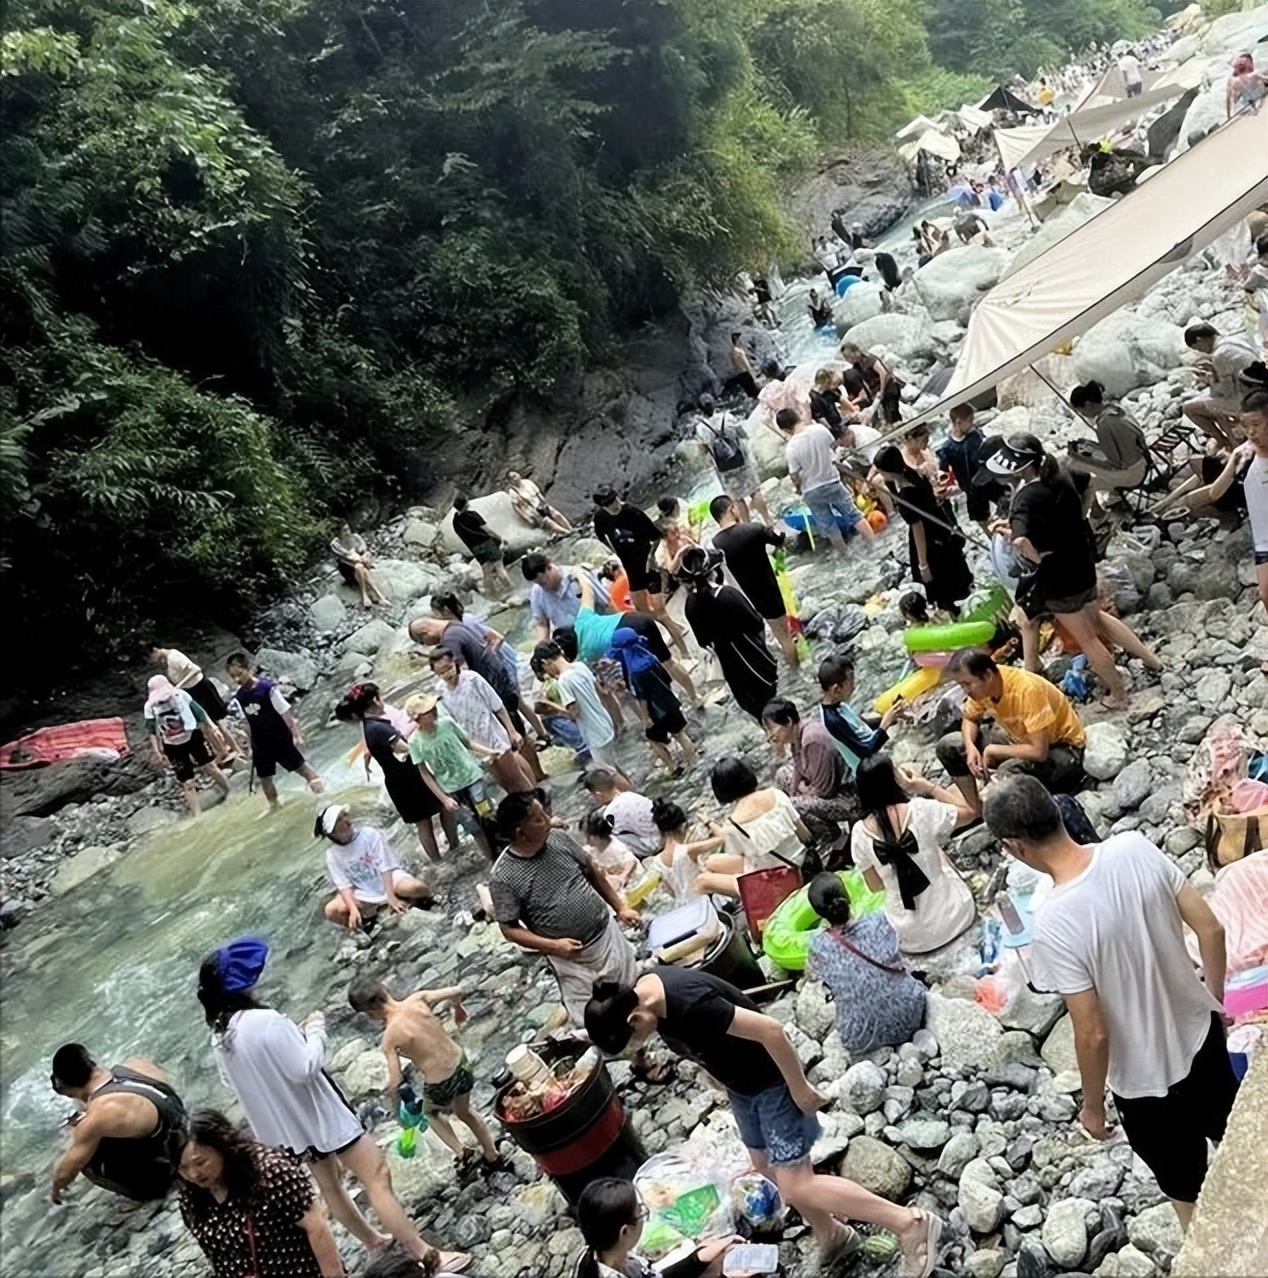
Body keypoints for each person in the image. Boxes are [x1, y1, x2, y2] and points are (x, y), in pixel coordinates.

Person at [982, 776, 1235, 1231]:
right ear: (1055, 811)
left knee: (1186, 1194)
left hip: (1144, 1086)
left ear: (1015, 846)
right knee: (1242, 1147)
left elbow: (1092, 1031)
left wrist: (1092, 1108)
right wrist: (1214, 1003)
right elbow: (1211, 930)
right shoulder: (1134, 847)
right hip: (1201, 1041)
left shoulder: (1054, 921)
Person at [584, 972, 943, 1277]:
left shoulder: (690, 1003)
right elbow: (705, 1041)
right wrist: (716, 1075)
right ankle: (831, 1234)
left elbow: (770, 1030)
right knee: (764, 1167)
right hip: (742, 1086)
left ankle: (907, 1223)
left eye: (634, 1041)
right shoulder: (644, 992)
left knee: (797, 1185)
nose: (640, 1047)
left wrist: (799, 1088)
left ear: (634, 1019)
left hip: (771, 1081)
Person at [198, 938, 458, 1269]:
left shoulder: (220, 1037)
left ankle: (374, 1242)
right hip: (321, 1116)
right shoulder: (266, 1021)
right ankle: (425, 1255)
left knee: (329, 1185)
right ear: (242, 985)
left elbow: (230, 1081)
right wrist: (316, 1031)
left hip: (288, 1132)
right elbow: (304, 1068)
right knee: (376, 1175)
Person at [984, 433, 1160, 707]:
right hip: (1081, 558)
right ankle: (1152, 661)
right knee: (1097, 617)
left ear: (1020, 467)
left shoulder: (1024, 498)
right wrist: (1080, 516)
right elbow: (1089, 484)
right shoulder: (1059, 471)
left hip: (1058, 576)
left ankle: (1119, 695)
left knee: (1087, 638)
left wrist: (1035, 556)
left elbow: (1021, 540)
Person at [489, 790, 640, 1029]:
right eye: (539, 818)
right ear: (520, 833)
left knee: (632, 990)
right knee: (591, 1015)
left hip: (604, 932)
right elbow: (509, 929)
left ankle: (644, 1037)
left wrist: (620, 908)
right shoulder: (504, 877)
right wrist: (554, 946)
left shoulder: (558, 839)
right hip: (569, 955)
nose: (549, 820)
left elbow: (592, 870)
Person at [347, 978, 500, 1168]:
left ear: (370, 1014)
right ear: (385, 990)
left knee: (430, 1113)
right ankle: (492, 1153)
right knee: (464, 1111)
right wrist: (458, 1008)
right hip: (461, 1064)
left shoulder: (390, 1037)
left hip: (441, 1082)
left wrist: (397, 1111)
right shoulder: (419, 999)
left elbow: (395, 1080)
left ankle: (463, 1152)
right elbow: (456, 990)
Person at [178, 1109, 343, 1278]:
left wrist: (333, 1274)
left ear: (221, 1146)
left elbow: (315, 1226)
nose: (194, 1174)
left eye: (201, 1162)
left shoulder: (269, 1173)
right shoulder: (191, 1197)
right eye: (183, 1168)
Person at [850, 755, 977, 955]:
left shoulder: (859, 833)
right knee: (936, 850)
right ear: (893, 779)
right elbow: (970, 811)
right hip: (955, 917)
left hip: (912, 938)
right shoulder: (920, 809)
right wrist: (928, 786)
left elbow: (875, 886)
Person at [937, 649, 1087, 814]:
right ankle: (976, 807)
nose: (966, 690)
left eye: (968, 684)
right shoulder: (983, 691)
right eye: (961, 685)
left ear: (987, 676)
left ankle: (1018, 824)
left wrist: (995, 750)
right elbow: (970, 718)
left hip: (1062, 749)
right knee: (949, 745)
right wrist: (970, 746)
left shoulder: (1026, 690)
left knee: (1007, 774)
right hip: (1019, 740)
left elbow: (1039, 752)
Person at [411, 614, 543, 781]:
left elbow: (459, 679)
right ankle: (538, 777)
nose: (427, 644)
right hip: (499, 684)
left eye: (423, 642)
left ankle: (535, 783)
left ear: (425, 632)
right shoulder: (456, 625)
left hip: (492, 694)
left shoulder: (451, 642)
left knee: (514, 747)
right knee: (517, 740)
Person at [49, 1044, 187, 1203]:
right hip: (182, 1126)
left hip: (172, 1164)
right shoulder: (136, 1064)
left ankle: (148, 1194)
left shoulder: (98, 1115)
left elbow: (65, 1173)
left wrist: (55, 1191)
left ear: (70, 1090)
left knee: (88, 1156)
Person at [804, 872, 926, 1053]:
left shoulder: (819, 946)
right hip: (910, 1012)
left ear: (819, 913)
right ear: (847, 896)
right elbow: (900, 955)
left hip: (861, 1036)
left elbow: (812, 976)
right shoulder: (878, 920)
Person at [335, 682, 449, 860]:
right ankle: (444, 854)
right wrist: (419, 726)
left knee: (427, 820)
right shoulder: (377, 728)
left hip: (399, 780)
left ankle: (439, 858)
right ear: (375, 700)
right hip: (408, 780)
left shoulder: (369, 725)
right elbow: (404, 747)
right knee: (438, 810)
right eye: (381, 697)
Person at [678, 547, 777, 721]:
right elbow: (755, 621)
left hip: (728, 661)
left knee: (751, 703)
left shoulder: (690, 605)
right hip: (751, 652)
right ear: (714, 571)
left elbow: (703, 641)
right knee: (769, 695)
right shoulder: (728, 595)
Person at [872, 444, 972, 616]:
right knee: (958, 577)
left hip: (930, 540)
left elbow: (917, 528)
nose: (880, 475)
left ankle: (954, 615)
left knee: (940, 587)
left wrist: (923, 564)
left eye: (881, 471)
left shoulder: (907, 494)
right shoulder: (916, 474)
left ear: (889, 470)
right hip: (942, 528)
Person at [428, 592, 544, 740]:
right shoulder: (454, 627)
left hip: (500, 664)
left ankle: (539, 734)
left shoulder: (467, 621)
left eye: (435, 613)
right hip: (491, 669)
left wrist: (488, 657)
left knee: (516, 701)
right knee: (512, 703)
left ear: (444, 610)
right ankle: (533, 734)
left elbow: (497, 638)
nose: (435, 618)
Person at [574, 1177, 734, 1278]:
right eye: (641, 1213)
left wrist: (698, 1258)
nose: (645, 1216)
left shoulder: (596, 1256)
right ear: (624, 1231)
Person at [427, 648, 536, 795]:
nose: (447, 674)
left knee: (516, 777)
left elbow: (498, 706)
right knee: (502, 781)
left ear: (455, 662)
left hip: (492, 734)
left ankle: (535, 801)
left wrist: (511, 730)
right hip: (475, 744)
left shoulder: (472, 679)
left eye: (449, 668)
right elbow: (449, 719)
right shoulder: (440, 690)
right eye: (441, 673)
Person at [403, 693, 497, 859]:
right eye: (428, 711)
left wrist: (489, 752)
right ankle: (491, 859)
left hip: (472, 776)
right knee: (472, 826)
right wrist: (444, 799)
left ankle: (504, 847)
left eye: (433, 708)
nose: (433, 712)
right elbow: (424, 773)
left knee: (488, 815)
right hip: (451, 788)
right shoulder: (414, 742)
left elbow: (467, 743)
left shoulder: (447, 724)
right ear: (417, 718)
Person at [710, 495, 799, 667]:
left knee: (761, 640)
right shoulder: (753, 529)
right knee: (784, 636)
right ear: (731, 509)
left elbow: (717, 575)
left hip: (743, 599)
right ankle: (796, 669)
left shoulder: (714, 544)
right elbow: (778, 540)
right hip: (768, 591)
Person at [704, 756, 811, 897]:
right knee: (713, 862)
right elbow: (804, 834)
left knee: (705, 878)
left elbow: (743, 860)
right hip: (804, 865)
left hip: (776, 881)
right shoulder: (776, 794)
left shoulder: (732, 825)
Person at [225, 654, 323, 809]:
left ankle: (322, 796)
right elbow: (247, 722)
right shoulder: (240, 697)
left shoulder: (267, 689)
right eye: (233, 677)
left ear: (247, 669)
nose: (237, 679)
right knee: (265, 778)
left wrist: (296, 734)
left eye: (240, 674)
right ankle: (275, 806)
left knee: (302, 768)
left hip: (280, 739)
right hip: (260, 744)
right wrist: (251, 746)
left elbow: (285, 712)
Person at [315, 804, 436, 929]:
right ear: (332, 832)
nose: (347, 821)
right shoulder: (332, 854)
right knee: (331, 910)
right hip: (362, 890)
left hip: (389, 879)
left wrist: (390, 896)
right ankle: (363, 928)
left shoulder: (368, 834)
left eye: (345, 815)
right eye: (340, 820)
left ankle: (432, 899)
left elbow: (386, 866)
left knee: (415, 887)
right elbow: (344, 885)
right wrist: (352, 909)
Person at [592, 489, 686, 647]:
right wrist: (614, 551)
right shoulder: (601, 517)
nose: (614, 506)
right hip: (631, 568)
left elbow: (656, 536)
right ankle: (675, 629)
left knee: (660, 612)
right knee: (642, 611)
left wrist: (650, 558)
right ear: (603, 506)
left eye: (614, 501)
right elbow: (601, 536)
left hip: (649, 566)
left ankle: (685, 652)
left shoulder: (633, 512)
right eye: (608, 504)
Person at [776, 409, 875, 556]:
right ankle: (874, 545)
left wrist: (798, 487)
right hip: (832, 481)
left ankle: (844, 555)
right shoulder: (820, 430)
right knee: (854, 515)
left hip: (811, 491)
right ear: (798, 416)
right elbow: (832, 448)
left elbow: (794, 474)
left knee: (830, 527)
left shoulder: (791, 447)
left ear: (785, 429)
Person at [762, 699, 855, 850]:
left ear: (788, 721)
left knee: (794, 805)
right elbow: (798, 771)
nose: (770, 736)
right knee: (782, 774)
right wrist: (793, 793)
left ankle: (835, 839)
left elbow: (824, 790)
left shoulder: (812, 739)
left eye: (772, 729)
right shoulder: (796, 736)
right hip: (819, 787)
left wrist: (796, 797)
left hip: (847, 796)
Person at [608, 626, 697, 774]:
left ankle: (672, 767)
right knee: (680, 734)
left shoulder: (636, 671)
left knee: (653, 739)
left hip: (656, 710)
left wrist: (646, 718)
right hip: (669, 702)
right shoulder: (650, 657)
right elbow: (666, 678)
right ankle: (692, 762)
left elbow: (642, 697)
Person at [143, 675, 231, 817]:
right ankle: (197, 815)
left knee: (210, 767)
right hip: (172, 746)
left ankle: (230, 791)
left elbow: (200, 713)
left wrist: (213, 728)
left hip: (193, 736)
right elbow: (152, 730)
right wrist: (157, 750)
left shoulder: (181, 695)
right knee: (187, 781)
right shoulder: (150, 707)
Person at [533, 640, 619, 770]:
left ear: (546, 663)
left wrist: (551, 706)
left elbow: (574, 713)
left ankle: (627, 790)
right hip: (605, 722)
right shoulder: (580, 666)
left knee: (608, 772)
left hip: (594, 732)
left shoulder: (563, 681)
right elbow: (601, 692)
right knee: (613, 765)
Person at [816, 652, 903, 776]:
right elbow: (865, 752)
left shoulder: (839, 705)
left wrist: (892, 717)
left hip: (876, 759)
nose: (854, 687)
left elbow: (861, 725)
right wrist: (884, 726)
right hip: (870, 773)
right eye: (850, 684)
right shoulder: (833, 721)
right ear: (836, 689)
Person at [149, 645, 238, 762]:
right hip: (190, 690)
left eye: (151, 657)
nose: (152, 661)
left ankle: (234, 748)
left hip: (200, 686)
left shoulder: (174, 657)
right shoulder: (164, 661)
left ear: (155, 650)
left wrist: (179, 686)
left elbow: (195, 669)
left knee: (215, 720)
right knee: (204, 724)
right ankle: (222, 749)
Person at [692, 394, 771, 525]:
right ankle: (768, 521)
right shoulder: (727, 417)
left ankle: (747, 526)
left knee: (738, 499)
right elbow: (743, 434)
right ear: (714, 404)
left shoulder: (700, 428)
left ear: (700, 410)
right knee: (755, 492)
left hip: (724, 469)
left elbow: (702, 452)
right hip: (742, 461)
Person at [1065, 382, 1149, 500]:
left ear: (1088, 405)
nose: (1082, 414)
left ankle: (1097, 512)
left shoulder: (1104, 424)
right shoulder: (1115, 409)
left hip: (1133, 475)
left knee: (1074, 467)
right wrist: (1090, 445)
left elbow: (1113, 464)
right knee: (1083, 459)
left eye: (1080, 410)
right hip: (1143, 460)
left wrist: (1081, 458)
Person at [1182, 323, 1257, 450]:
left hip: (1246, 398)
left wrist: (1209, 378)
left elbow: (1225, 393)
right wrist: (1213, 370)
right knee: (1211, 404)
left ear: (1200, 340)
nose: (1201, 351)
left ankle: (1228, 442)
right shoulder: (1233, 340)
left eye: (1198, 348)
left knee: (1191, 408)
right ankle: (1229, 441)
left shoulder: (1220, 355)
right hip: (1257, 386)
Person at [935, 403, 1005, 532]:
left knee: (1005, 502)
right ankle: (995, 538)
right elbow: (943, 472)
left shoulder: (976, 435)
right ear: (958, 422)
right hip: (971, 489)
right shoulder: (947, 448)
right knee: (981, 518)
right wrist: (947, 487)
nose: (972, 424)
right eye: (969, 421)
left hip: (989, 481)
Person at [649, 798, 725, 905]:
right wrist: (708, 821)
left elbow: (669, 892)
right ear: (682, 826)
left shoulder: (656, 862)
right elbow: (723, 837)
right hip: (706, 903)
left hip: (684, 908)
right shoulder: (688, 851)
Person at [521, 554, 611, 642]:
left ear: (549, 567)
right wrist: (542, 647)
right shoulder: (537, 591)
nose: (543, 587)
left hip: (597, 629)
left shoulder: (579, 577)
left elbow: (607, 604)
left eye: (543, 582)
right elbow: (542, 624)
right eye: (538, 584)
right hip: (568, 638)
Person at [582, 768, 660, 858]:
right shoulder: (632, 795)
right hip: (661, 834)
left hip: (652, 845)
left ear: (599, 795)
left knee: (608, 838)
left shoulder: (610, 812)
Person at [1238, 390, 1268, 618]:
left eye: (1256, 424)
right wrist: (1231, 465)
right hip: (1263, 540)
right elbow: (1214, 494)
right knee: (1266, 594)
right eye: (1246, 426)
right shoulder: (1245, 458)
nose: (1251, 432)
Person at [450, 496, 512, 596]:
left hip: (474, 548)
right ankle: (510, 590)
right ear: (466, 504)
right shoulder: (473, 515)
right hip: (486, 543)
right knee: (499, 567)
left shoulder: (455, 521)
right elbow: (487, 530)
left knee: (486, 571)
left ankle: (492, 593)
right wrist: (500, 538)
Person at [840, 342, 902, 425]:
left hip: (889, 387)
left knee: (892, 412)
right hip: (878, 392)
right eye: (846, 358)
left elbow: (883, 373)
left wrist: (881, 391)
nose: (848, 359)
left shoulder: (869, 359)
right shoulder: (857, 366)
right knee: (886, 415)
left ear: (855, 352)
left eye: (849, 356)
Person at [331, 523, 388, 609]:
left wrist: (365, 557)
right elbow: (348, 556)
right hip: (347, 569)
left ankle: (379, 596)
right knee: (359, 566)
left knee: (361, 567)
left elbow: (364, 550)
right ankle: (364, 595)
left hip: (360, 566)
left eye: (348, 529)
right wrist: (362, 560)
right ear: (338, 533)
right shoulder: (335, 544)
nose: (348, 532)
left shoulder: (355, 537)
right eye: (344, 531)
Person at [581, 810, 639, 894]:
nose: (585, 840)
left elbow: (631, 861)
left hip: (629, 882)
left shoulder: (615, 847)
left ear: (596, 837)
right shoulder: (591, 849)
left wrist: (622, 877)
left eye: (587, 837)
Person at [507, 470, 571, 536]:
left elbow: (538, 494)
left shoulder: (528, 482)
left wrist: (546, 504)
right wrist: (526, 518)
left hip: (540, 505)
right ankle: (566, 532)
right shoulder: (513, 492)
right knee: (547, 521)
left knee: (556, 513)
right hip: (532, 512)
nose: (515, 478)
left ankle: (570, 528)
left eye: (515, 475)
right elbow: (516, 507)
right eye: (512, 478)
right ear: (510, 481)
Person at [1227, 51, 1267, 119]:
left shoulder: (1232, 81)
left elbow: (1228, 100)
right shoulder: (1254, 75)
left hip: (1243, 106)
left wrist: (1229, 116)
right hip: (1257, 100)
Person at [722, 332, 759, 399]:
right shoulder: (739, 351)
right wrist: (753, 374)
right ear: (736, 339)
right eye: (739, 339)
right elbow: (746, 363)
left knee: (749, 392)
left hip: (739, 375)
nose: (740, 341)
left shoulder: (731, 351)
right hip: (745, 372)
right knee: (755, 391)